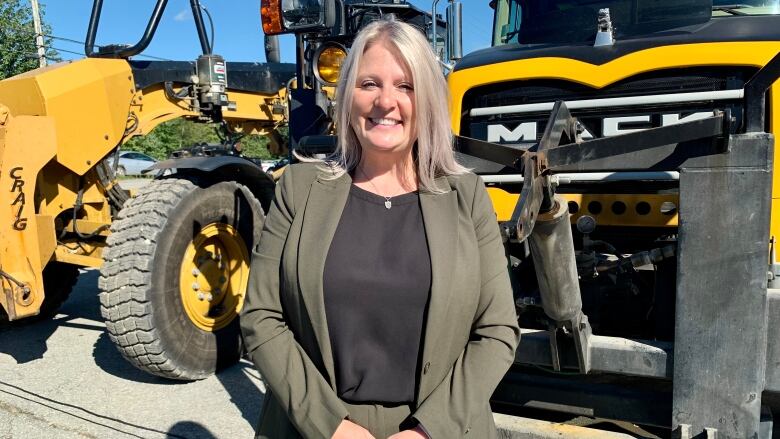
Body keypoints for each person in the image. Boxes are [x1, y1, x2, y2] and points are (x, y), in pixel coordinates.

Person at [240, 17, 520, 439]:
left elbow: (497, 330)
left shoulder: (468, 196)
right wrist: (331, 426)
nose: (386, 101)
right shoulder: (299, 189)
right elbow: (261, 316)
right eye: (369, 84)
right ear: (347, 96)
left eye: (405, 86)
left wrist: (428, 431)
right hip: (313, 428)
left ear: (427, 99)